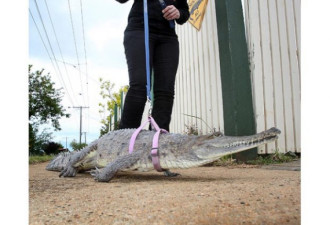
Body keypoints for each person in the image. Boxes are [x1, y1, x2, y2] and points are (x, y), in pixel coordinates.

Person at [115, 0, 190, 132]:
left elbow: (184, 13)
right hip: (139, 29)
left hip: (168, 37)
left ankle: (158, 141)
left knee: (165, 91)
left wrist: (178, 13)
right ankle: (125, 141)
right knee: (140, 86)